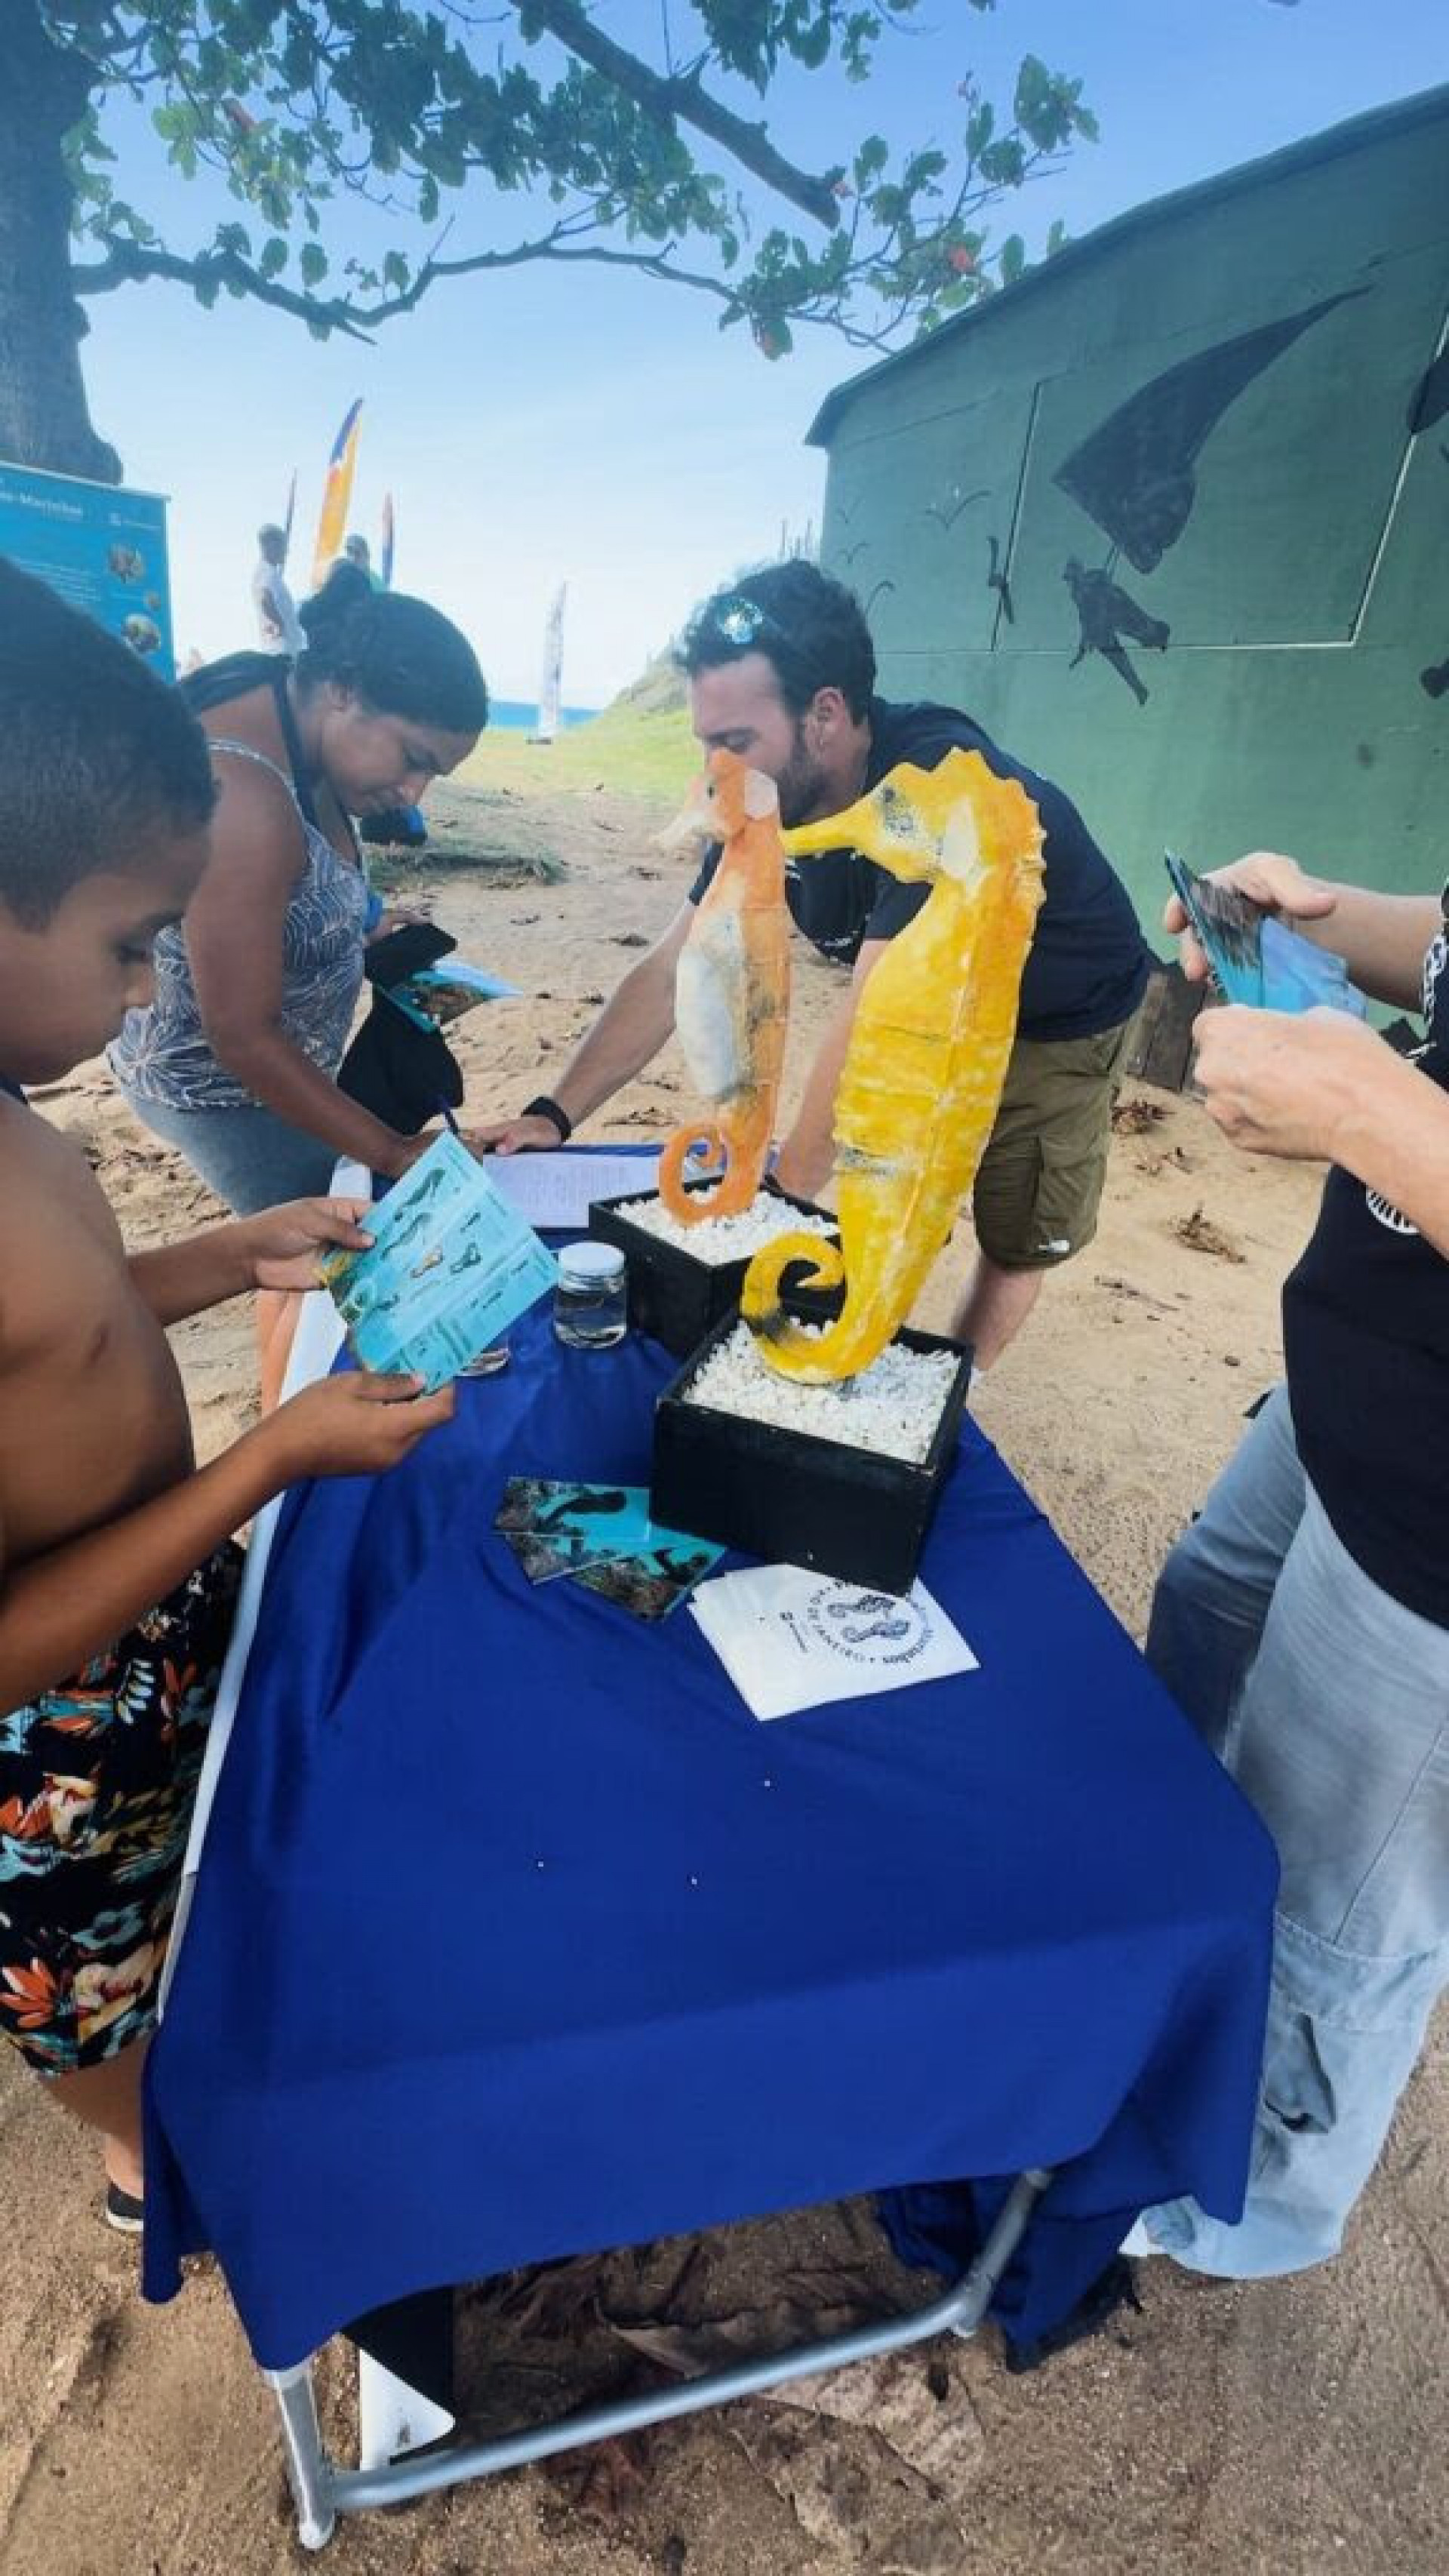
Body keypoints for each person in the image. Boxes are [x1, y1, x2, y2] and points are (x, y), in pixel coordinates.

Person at [0, 559, 454, 2229]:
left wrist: (229, 1251)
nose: (147, 995)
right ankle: (146, 2157)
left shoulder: (14, 1104)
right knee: (86, 1979)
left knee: (196, 1856)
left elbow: (71, 1324)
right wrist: (268, 1459)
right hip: (44, 1732)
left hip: (156, 1603)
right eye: (129, 945)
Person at [478, 561, 1149, 1368]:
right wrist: (554, 1112)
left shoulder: (934, 787)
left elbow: (871, 1018)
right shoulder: (761, 793)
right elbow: (671, 965)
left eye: (735, 742)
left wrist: (782, 1199)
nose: (714, 771)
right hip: (925, 994)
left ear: (824, 714)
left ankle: (949, 1386)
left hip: (1060, 1007)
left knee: (1016, 1227)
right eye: (705, 742)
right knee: (894, 1192)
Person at [1128, 852, 1449, 2276]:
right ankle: (1164, 1962)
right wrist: (1315, 915)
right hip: (1349, 1380)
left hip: (1430, 1548)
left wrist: (1372, 1111)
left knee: (1329, 1916)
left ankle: (1234, 2209)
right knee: (1203, 1630)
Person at [251, 522, 306, 657]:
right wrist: (281, 625)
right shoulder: (266, 572)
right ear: (271, 545)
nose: (286, 552)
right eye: (283, 546)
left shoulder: (268, 572)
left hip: (285, 648)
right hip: (281, 649)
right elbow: (264, 599)